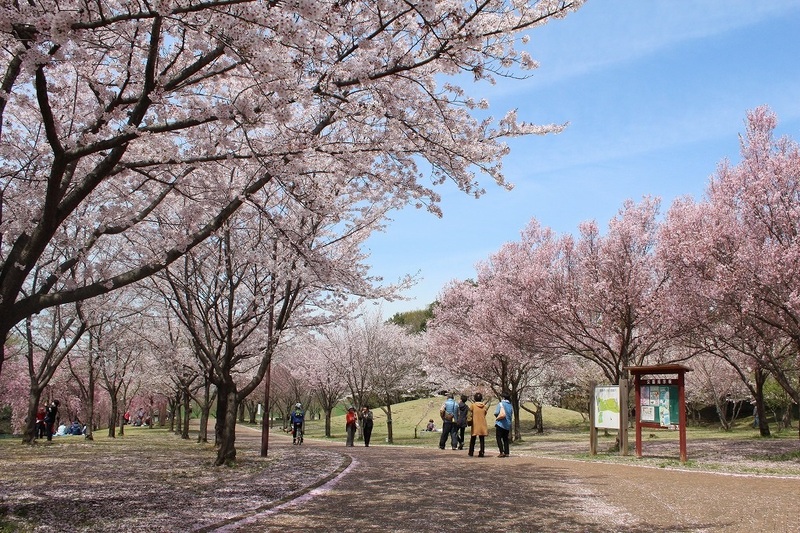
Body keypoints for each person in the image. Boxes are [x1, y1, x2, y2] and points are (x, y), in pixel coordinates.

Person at [467, 392, 489, 457]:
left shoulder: (473, 405)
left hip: (475, 423)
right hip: (482, 423)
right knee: (482, 439)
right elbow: (485, 413)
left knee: (473, 438)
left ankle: (471, 452)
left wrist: (469, 421)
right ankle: (482, 451)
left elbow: (469, 414)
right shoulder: (484, 406)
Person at [494, 392, 513, 457]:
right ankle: (507, 452)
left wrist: (497, 416)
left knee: (498, 438)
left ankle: (501, 452)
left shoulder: (501, 404)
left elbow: (496, 412)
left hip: (500, 423)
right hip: (508, 424)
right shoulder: (510, 405)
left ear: (503, 398)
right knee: (505, 439)